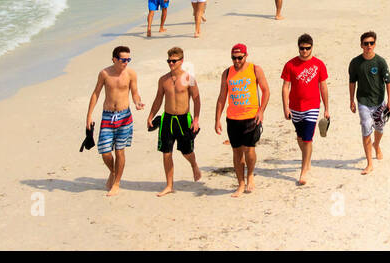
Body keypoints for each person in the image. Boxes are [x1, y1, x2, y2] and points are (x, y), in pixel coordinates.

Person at [85, 46, 144, 196]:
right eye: (123, 60)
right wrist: (89, 116)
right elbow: (96, 94)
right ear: (114, 59)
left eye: (128, 59)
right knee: (105, 152)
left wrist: (138, 102)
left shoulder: (131, 74)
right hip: (108, 116)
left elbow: (135, 93)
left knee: (120, 151)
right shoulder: (105, 73)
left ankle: (116, 182)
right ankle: (113, 171)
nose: (126, 62)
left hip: (125, 116)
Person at [214, 43, 270, 196]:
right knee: (237, 152)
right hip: (232, 118)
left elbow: (266, 91)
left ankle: (250, 174)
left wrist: (261, 111)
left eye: (240, 58)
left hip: (251, 117)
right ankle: (240, 183)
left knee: (249, 150)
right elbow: (221, 97)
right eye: (234, 58)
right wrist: (217, 119)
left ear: (246, 56)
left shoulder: (255, 69)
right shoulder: (227, 73)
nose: (237, 61)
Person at [147, 46, 201, 195]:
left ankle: (194, 165)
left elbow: (196, 99)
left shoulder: (189, 78)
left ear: (181, 61)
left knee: (186, 152)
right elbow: (158, 99)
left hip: (184, 119)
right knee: (166, 153)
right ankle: (169, 185)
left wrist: (195, 120)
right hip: (167, 119)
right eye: (169, 61)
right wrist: (151, 115)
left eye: (174, 61)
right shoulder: (163, 80)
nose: (171, 63)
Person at [281, 34, 329, 186]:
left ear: (312, 48)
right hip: (295, 107)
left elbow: (323, 86)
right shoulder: (290, 65)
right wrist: (285, 107)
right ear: (298, 48)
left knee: (308, 139)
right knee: (301, 138)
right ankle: (307, 161)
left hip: (312, 106)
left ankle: (303, 171)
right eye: (302, 48)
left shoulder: (319, 64)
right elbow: (285, 87)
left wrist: (327, 108)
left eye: (307, 48)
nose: (304, 51)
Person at [348, 30, 390, 175]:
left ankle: (377, 145)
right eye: (366, 43)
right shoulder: (355, 63)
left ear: (375, 44)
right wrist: (351, 100)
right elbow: (352, 82)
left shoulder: (380, 62)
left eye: (371, 43)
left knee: (380, 128)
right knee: (366, 128)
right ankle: (369, 164)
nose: (369, 46)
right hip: (363, 101)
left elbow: (388, 82)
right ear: (361, 45)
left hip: (379, 101)